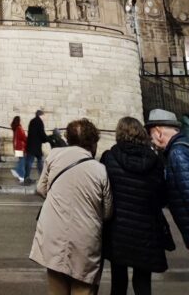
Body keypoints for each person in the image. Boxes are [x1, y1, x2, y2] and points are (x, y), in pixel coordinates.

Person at [30, 117, 112, 294]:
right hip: (85, 239)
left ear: (69, 138)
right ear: (93, 143)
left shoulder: (54, 156)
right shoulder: (99, 170)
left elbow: (40, 188)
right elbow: (107, 211)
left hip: (53, 234)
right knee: (83, 287)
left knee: (57, 284)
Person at [100, 115, 169, 295]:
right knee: (143, 283)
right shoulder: (156, 162)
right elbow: (162, 197)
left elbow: (103, 193)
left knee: (118, 283)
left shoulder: (109, 158)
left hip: (117, 229)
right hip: (146, 230)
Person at [146, 108, 189, 266]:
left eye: (151, 135)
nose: (152, 141)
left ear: (158, 132)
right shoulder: (182, 148)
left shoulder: (177, 154)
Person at [25, 109, 50, 182]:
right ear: (41, 115)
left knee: (32, 161)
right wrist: (47, 139)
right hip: (36, 146)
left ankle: (27, 177)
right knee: (38, 161)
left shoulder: (32, 121)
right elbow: (41, 133)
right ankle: (42, 177)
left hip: (31, 145)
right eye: (44, 116)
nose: (45, 117)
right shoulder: (40, 122)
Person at [11, 115, 27, 183]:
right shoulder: (19, 128)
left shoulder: (15, 129)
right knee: (22, 162)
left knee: (21, 161)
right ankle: (19, 174)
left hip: (17, 148)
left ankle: (19, 175)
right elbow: (23, 137)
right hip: (21, 148)